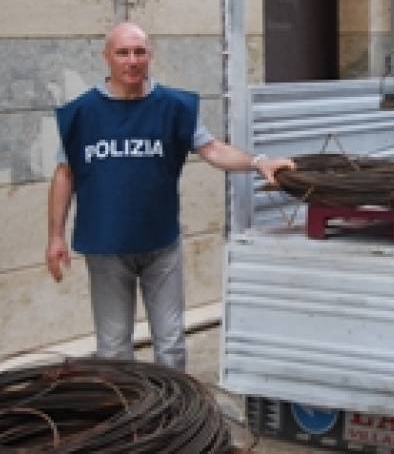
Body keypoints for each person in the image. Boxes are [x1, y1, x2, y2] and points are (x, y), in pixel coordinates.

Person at [45, 21, 295, 369]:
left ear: (150, 55)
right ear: (106, 57)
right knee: (114, 350)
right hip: (106, 247)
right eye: (123, 52)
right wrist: (55, 236)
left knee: (171, 345)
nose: (132, 60)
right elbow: (65, 174)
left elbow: (213, 150)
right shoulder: (81, 114)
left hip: (161, 244)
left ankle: (173, 419)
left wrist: (259, 161)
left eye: (139, 52)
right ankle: (130, 418)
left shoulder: (175, 107)